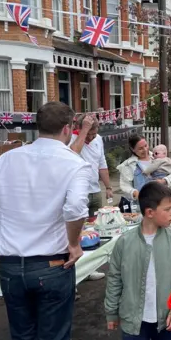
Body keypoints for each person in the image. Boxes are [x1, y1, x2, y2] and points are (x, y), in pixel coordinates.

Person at [0, 101, 92, 340]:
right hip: (51, 263)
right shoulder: (74, 163)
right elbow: (75, 209)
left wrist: (16, 217)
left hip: (11, 264)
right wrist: (74, 244)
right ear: (68, 129)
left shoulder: (7, 158)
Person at [105, 182, 171, 340]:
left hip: (167, 320)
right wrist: (111, 312)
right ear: (149, 212)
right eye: (168, 209)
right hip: (133, 320)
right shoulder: (124, 242)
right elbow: (114, 278)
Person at [69, 115, 112, 283]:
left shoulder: (98, 139)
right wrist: (84, 131)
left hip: (94, 191)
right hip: (78, 193)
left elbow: (102, 163)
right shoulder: (71, 139)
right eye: (89, 134)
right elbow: (73, 153)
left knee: (93, 232)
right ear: (79, 128)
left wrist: (108, 187)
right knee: (77, 235)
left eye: (94, 134)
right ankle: (75, 275)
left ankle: (89, 269)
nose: (91, 137)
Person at [117, 135, 171, 235]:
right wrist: (133, 192)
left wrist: (164, 181)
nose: (145, 149)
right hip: (145, 208)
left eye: (146, 146)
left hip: (165, 205)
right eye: (140, 148)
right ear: (132, 149)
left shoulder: (158, 157)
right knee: (150, 237)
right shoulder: (129, 165)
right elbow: (124, 185)